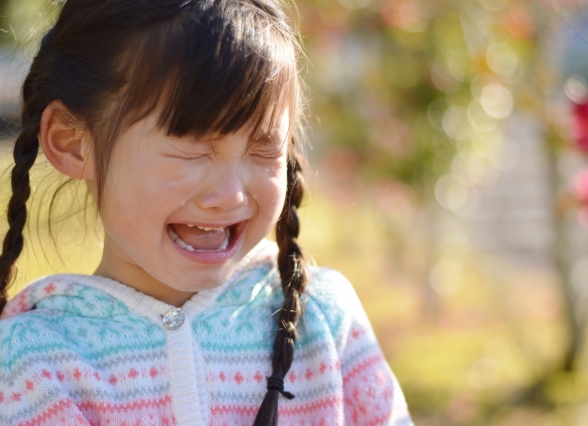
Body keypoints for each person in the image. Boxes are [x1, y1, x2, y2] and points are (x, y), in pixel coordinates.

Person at [0, 0, 413, 425]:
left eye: (262, 149)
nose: (230, 195)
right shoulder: (33, 363)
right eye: (192, 149)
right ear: (72, 142)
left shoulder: (324, 320)